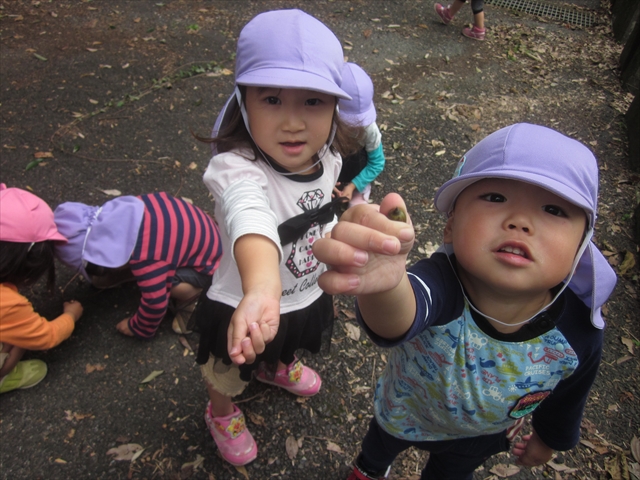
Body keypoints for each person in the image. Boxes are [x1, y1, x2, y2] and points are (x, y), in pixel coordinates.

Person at [312, 123, 618, 480]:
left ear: (581, 248)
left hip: (480, 436)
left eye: (553, 209)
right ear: (450, 226)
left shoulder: (578, 334)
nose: (520, 222)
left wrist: (549, 439)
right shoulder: (442, 281)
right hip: (405, 408)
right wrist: (384, 286)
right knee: (378, 446)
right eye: (495, 198)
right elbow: (399, 317)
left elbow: (568, 397)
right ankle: (371, 467)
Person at [193, 8, 361, 467]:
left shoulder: (327, 159)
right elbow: (251, 217)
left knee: (285, 341)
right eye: (271, 99)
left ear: (335, 107)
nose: (292, 122)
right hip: (244, 302)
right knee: (227, 366)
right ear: (243, 101)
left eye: (313, 101)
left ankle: (275, 366)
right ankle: (220, 412)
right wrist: (263, 287)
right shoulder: (236, 170)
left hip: (304, 292)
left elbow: (322, 213)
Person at [53, 192, 222, 339]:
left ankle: (195, 299)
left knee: (171, 284)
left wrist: (137, 327)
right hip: (203, 235)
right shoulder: (131, 208)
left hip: (211, 268)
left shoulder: (148, 258)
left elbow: (155, 302)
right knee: (159, 265)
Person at [0, 184, 83, 394]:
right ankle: (5, 376)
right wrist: (71, 316)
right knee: (19, 338)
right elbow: (47, 336)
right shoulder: (8, 305)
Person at [334, 62, 386, 207]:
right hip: (331, 167)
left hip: (356, 171)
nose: (354, 126)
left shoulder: (369, 129)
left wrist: (353, 186)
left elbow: (377, 162)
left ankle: (360, 189)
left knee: (357, 210)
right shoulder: (324, 125)